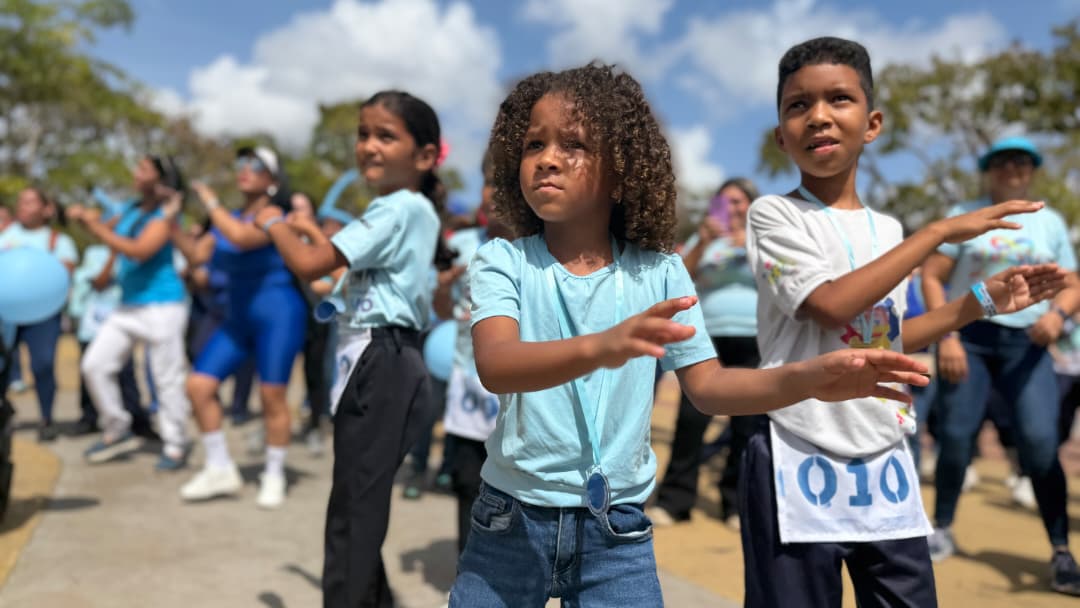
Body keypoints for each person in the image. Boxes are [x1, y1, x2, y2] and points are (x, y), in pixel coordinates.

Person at [446, 62, 937, 607]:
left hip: (617, 533)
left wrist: (809, 379)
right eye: (534, 144)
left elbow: (709, 388)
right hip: (509, 521)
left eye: (575, 144)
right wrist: (603, 346)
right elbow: (498, 365)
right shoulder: (502, 261)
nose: (547, 158)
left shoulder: (661, 272)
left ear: (622, 172)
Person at [743, 37, 1069, 608]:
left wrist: (980, 302)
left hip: (884, 454)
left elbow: (883, 339)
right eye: (798, 105)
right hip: (796, 446)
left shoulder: (889, 231)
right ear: (781, 136)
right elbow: (830, 306)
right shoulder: (774, 214)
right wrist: (936, 234)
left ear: (872, 124)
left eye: (838, 99)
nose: (818, 116)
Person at [256, 91, 451, 607]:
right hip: (386, 359)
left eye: (386, 135)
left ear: (424, 156)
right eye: (364, 134)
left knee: (352, 515)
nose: (369, 145)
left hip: (380, 362)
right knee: (358, 506)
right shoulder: (412, 211)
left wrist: (274, 224)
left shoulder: (395, 208)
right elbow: (333, 280)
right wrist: (305, 232)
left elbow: (309, 265)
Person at [921, 135, 1080, 594]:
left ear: (1032, 170)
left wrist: (1058, 316)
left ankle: (1061, 550)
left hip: (1027, 345)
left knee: (1041, 443)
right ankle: (943, 527)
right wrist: (946, 335)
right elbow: (931, 275)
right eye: (1003, 161)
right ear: (989, 170)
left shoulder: (1050, 222)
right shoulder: (968, 214)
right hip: (969, 340)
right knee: (955, 436)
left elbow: (1072, 283)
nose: (1012, 168)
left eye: (1022, 161)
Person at [172, 146, 307, 509]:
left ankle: (274, 473)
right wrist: (170, 222)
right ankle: (219, 468)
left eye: (255, 165)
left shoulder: (274, 215)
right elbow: (196, 255)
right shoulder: (227, 217)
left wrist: (210, 202)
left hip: (278, 314)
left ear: (273, 180)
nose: (245, 169)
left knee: (271, 396)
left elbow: (243, 238)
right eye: (241, 163)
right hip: (236, 316)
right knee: (198, 386)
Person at [650, 177, 764, 530]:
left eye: (738, 201)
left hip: (753, 337)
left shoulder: (765, 238)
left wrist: (753, 245)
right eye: (724, 201)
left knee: (747, 425)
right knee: (691, 419)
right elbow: (677, 277)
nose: (732, 208)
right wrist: (704, 242)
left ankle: (737, 504)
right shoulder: (705, 238)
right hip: (706, 338)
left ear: (752, 205)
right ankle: (675, 500)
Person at [68, 155, 191, 470]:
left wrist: (97, 228)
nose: (136, 173)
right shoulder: (130, 208)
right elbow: (109, 233)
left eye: (144, 169)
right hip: (128, 305)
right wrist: (84, 218)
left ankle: (175, 444)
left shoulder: (166, 215)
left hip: (162, 305)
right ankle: (117, 427)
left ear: (161, 179)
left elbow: (139, 250)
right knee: (94, 365)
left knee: (165, 378)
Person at [432, 149, 514, 553]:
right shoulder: (462, 245)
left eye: (506, 183)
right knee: (468, 481)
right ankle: (468, 570)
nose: (494, 193)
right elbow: (441, 311)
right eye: (489, 182)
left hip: (518, 391)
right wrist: (443, 286)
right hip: (468, 381)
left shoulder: (541, 251)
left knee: (512, 490)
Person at [0, 187, 78, 441]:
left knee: (43, 365)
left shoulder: (58, 241)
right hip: (5, 315)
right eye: (21, 201)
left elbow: (65, 273)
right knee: (3, 366)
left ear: (46, 209)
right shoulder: (5, 235)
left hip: (43, 316)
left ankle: (46, 419)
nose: (23, 206)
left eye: (31, 202)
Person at [66, 242, 156, 439]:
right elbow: (100, 282)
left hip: (124, 319)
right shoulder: (94, 251)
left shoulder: (135, 251)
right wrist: (115, 253)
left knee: (126, 374)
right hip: (93, 325)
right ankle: (90, 418)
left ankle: (137, 420)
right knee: (90, 370)